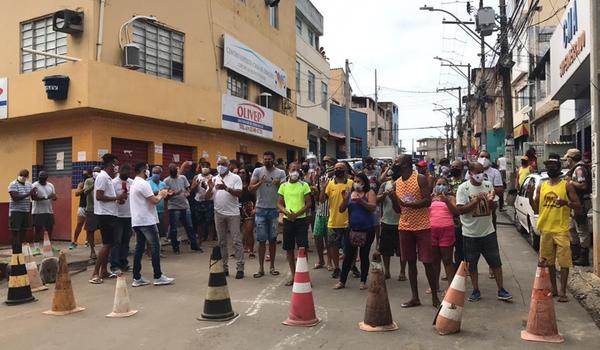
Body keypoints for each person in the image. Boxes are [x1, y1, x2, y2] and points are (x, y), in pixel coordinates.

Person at [456, 162, 512, 302]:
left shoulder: (488, 185)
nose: (481, 175)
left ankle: (501, 289)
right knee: (472, 264)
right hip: (470, 234)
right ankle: (475, 290)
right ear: (471, 173)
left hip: (488, 232)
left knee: (496, 263)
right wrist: (476, 201)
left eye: (482, 172)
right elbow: (460, 210)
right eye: (478, 172)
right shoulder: (463, 188)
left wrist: (491, 201)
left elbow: (493, 207)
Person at [528, 154, 580, 302]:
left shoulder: (566, 185)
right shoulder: (542, 186)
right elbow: (536, 208)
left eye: (553, 166)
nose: (550, 168)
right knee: (548, 262)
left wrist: (566, 203)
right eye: (548, 166)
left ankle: (563, 292)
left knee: (564, 262)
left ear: (558, 168)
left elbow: (578, 205)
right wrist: (532, 196)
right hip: (546, 229)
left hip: (562, 229)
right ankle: (554, 289)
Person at [392, 155, 439, 308]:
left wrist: (409, 205)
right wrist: (393, 198)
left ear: (405, 164)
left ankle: (434, 296)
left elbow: (427, 201)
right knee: (410, 263)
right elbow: (398, 209)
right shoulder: (397, 183)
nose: (395, 165)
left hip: (422, 226)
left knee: (427, 262)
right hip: (405, 226)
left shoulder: (420, 178)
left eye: (397, 163)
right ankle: (415, 297)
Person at [130, 162, 174, 287]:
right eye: (148, 169)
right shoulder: (143, 183)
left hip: (137, 220)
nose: (149, 172)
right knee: (155, 246)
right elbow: (154, 200)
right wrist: (161, 194)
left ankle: (137, 277)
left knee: (139, 248)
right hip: (146, 220)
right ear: (144, 170)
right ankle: (158, 276)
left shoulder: (135, 183)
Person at [334, 172, 377, 290]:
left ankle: (363, 280)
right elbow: (341, 209)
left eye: (359, 181)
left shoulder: (369, 193)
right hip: (352, 229)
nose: (357, 183)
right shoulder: (350, 194)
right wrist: (345, 199)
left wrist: (361, 201)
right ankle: (342, 281)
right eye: (355, 181)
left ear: (364, 183)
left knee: (364, 255)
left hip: (367, 229)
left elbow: (373, 207)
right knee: (348, 256)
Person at [90, 153, 127, 284]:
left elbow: (108, 197)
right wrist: (116, 198)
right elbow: (99, 196)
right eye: (115, 164)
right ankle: (95, 273)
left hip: (111, 213)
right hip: (104, 215)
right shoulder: (102, 177)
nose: (117, 167)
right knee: (106, 244)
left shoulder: (109, 178)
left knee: (110, 244)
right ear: (110, 164)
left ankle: (104, 271)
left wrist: (119, 200)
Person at [249, 151, 286, 278]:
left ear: (274, 160)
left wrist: (278, 184)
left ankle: (272, 267)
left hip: (274, 210)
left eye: (270, 159)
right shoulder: (258, 171)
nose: (267, 161)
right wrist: (260, 182)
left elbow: (285, 190)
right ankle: (260, 268)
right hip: (260, 210)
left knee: (273, 240)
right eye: (265, 159)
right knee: (261, 240)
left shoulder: (280, 173)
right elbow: (250, 188)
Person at [207, 156, 244, 278]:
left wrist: (226, 188)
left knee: (236, 241)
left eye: (222, 164)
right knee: (221, 241)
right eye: (218, 164)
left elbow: (239, 193)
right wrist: (210, 188)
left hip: (233, 213)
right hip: (218, 213)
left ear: (228, 165)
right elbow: (207, 197)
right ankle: (224, 267)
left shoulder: (235, 178)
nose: (220, 166)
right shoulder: (214, 178)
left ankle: (240, 267)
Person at [277, 162, 312, 286]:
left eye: (297, 169)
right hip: (288, 220)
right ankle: (293, 275)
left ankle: (305, 276)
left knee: (302, 249)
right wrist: (286, 212)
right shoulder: (283, 186)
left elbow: (308, 203)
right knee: (289, 248)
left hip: (301, 220)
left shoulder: (304, 185)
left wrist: (296, 214)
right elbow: (279, 203)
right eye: (293, 169)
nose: (295, 172)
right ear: (288, 170)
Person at [321, 162, 353, 279]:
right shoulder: (329, 184)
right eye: (336, 168)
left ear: (346, 170)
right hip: (333, 221)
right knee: (333, 247)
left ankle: (352, 266)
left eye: (341, 168)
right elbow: (322, 200)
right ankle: (336, 268)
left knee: (350, 248)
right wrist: (323, 188)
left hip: (348, 222)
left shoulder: (351, 183)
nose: (338, 170)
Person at [563, 148, 592, 266]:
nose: (566, 161)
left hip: (581, 203)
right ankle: (575, 254)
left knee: (581, 229)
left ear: (571, 159)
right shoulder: (575, 169)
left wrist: (570, 182)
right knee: (572, 228)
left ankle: (583, 258)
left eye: (567, 159)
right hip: (576, 203)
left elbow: (583, 185)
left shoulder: (579, 169)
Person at [164, 163, 201, 254]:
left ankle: (194, 246)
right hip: (174, 207)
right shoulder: (166, 181)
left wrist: (187, 192)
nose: (174, 173)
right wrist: (174, 194)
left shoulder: (183, 178)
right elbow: (166, 197)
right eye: (172, 171)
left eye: (175, 171)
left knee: (189, 226)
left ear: (177, 170)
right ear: (169, 172)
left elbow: (188, 188)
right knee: (174, 228)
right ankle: (175, 247)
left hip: (185, 205)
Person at [429, 177, 458, 292]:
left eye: (444, 184)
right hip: (432, 231)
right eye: (439, 184)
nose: (441, 186)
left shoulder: (451, 198)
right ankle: (435, 286)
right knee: (435, 261)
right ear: (434, 186)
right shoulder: (430, 198)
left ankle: (450, 288)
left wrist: (446, 200)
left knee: (447, 260)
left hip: (447, 231)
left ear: (448, 187)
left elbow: (456, 212)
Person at [377, 164, 405, 281]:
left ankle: (402, 272)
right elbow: (377, 200)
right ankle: (387, 271)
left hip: (402, 222)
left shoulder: (405, 185)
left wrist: (394, 195)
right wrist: (384, 195)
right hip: (387, 221)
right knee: (385, 249)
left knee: (402, 250)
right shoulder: (385, 185)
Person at [110, 163, 133, 274]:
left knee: (126, 241)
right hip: (117, 215)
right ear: (120, 171)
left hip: (129, 215)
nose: (127, 175)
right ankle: (114, 265)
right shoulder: (113, 183)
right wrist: (117, 200)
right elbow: (110, 197)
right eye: (125, 173)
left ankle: (124, 263)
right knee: (117, 241)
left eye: (129, 173)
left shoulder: (131, 182)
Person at [312, 165, 334, 270]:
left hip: (331, 213)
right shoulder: (321, 179)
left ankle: (329, 261)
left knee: (329, 239)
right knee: (317, 237)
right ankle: (321, 260)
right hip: (320, 212)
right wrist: (316, 191)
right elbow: (318, 199)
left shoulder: (337, 181)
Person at [31, 171, 57, 254]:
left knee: (50, 229)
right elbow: (34, 198)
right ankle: (36, 248)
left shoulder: (50, 185)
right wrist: (46, 197)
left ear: (47, 177)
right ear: (38, 177)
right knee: (38, 230)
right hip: (38, 211)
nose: (41, 178)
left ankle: (49, 246)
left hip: (49, 211)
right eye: (40, 176)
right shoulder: (34, 185)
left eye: (43, 176)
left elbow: (54, 197)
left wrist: (54, 197)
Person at [8, 169, 33, 253]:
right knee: (15, 232)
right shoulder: (13, 184)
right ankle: (15, 252)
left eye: (25, 176)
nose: (23, 177)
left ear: (27, 177)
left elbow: (33, 196)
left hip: (26, 210)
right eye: (21, 176)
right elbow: (15, 198)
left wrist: (34, 193)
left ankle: (22, 251)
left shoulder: (29, 184)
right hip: (15, 211)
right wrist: (29, 194)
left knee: (24, 231)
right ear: (18, 175)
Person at [448, 160, 465, 267]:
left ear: (462, 169)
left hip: (460, 220)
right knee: (447, 247)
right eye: (452, 166)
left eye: (457, 167)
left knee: (460, 247)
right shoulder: (446, 182)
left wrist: (452, 195)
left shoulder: (465, 183)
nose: (454, 168)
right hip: (447, 218)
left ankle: (460, 268)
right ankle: (450, 269)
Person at [193, 161, 216, 242]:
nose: (204, 168)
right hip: (198, 200)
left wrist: (207, 186)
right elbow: (192, 189)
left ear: (209, 168)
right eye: (203, 166)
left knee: (210, 220)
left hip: (209, 201)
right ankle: (200, 237)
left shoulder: (212, 178)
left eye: (206, 166)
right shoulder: (196, 177)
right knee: (199, 221)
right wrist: (195, 185)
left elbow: (213, 190)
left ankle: (210, 237)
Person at [83, 167, 100, 260]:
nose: (96, 173)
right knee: (90, 231)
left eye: (98, 171)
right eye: (95, 171)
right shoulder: (88, 181)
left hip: (101, 210)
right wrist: (93, 185)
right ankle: (92, 250)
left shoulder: (103, 180)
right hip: (91, 209)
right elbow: (85, 192)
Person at [70, 170, 90, 250]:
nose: (85, 176)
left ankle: (87, 241)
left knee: (89, 225)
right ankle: (74, 242)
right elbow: (76, 193)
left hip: (91, 207)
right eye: (84, 175)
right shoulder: (81, 184)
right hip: (82, 206)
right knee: (79, 224)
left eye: (87, 174)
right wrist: (84, 189)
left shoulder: (93, 183)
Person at [240, 167, 256, 258]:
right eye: (239, 173)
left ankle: (251, 250)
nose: (241, 174)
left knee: (249, 230)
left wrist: (255, 208)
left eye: (243, 172)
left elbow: (256, 197)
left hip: (249, 208)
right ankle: (241, 248)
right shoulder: (236, 184)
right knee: (241, 231)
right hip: (238, 208)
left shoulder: (250, 186)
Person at [148, 166, 168, 239]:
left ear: (160, 174)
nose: (155, 175)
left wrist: (168, 193)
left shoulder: (163, 184)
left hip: (161, 210)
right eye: (154, 173)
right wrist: (158, 192)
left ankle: (158, 246)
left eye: (157, 173)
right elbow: (148, 194)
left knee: (159, 231)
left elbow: (165, 196)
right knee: (151, 231)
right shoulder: (148, 183)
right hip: (151, 210)